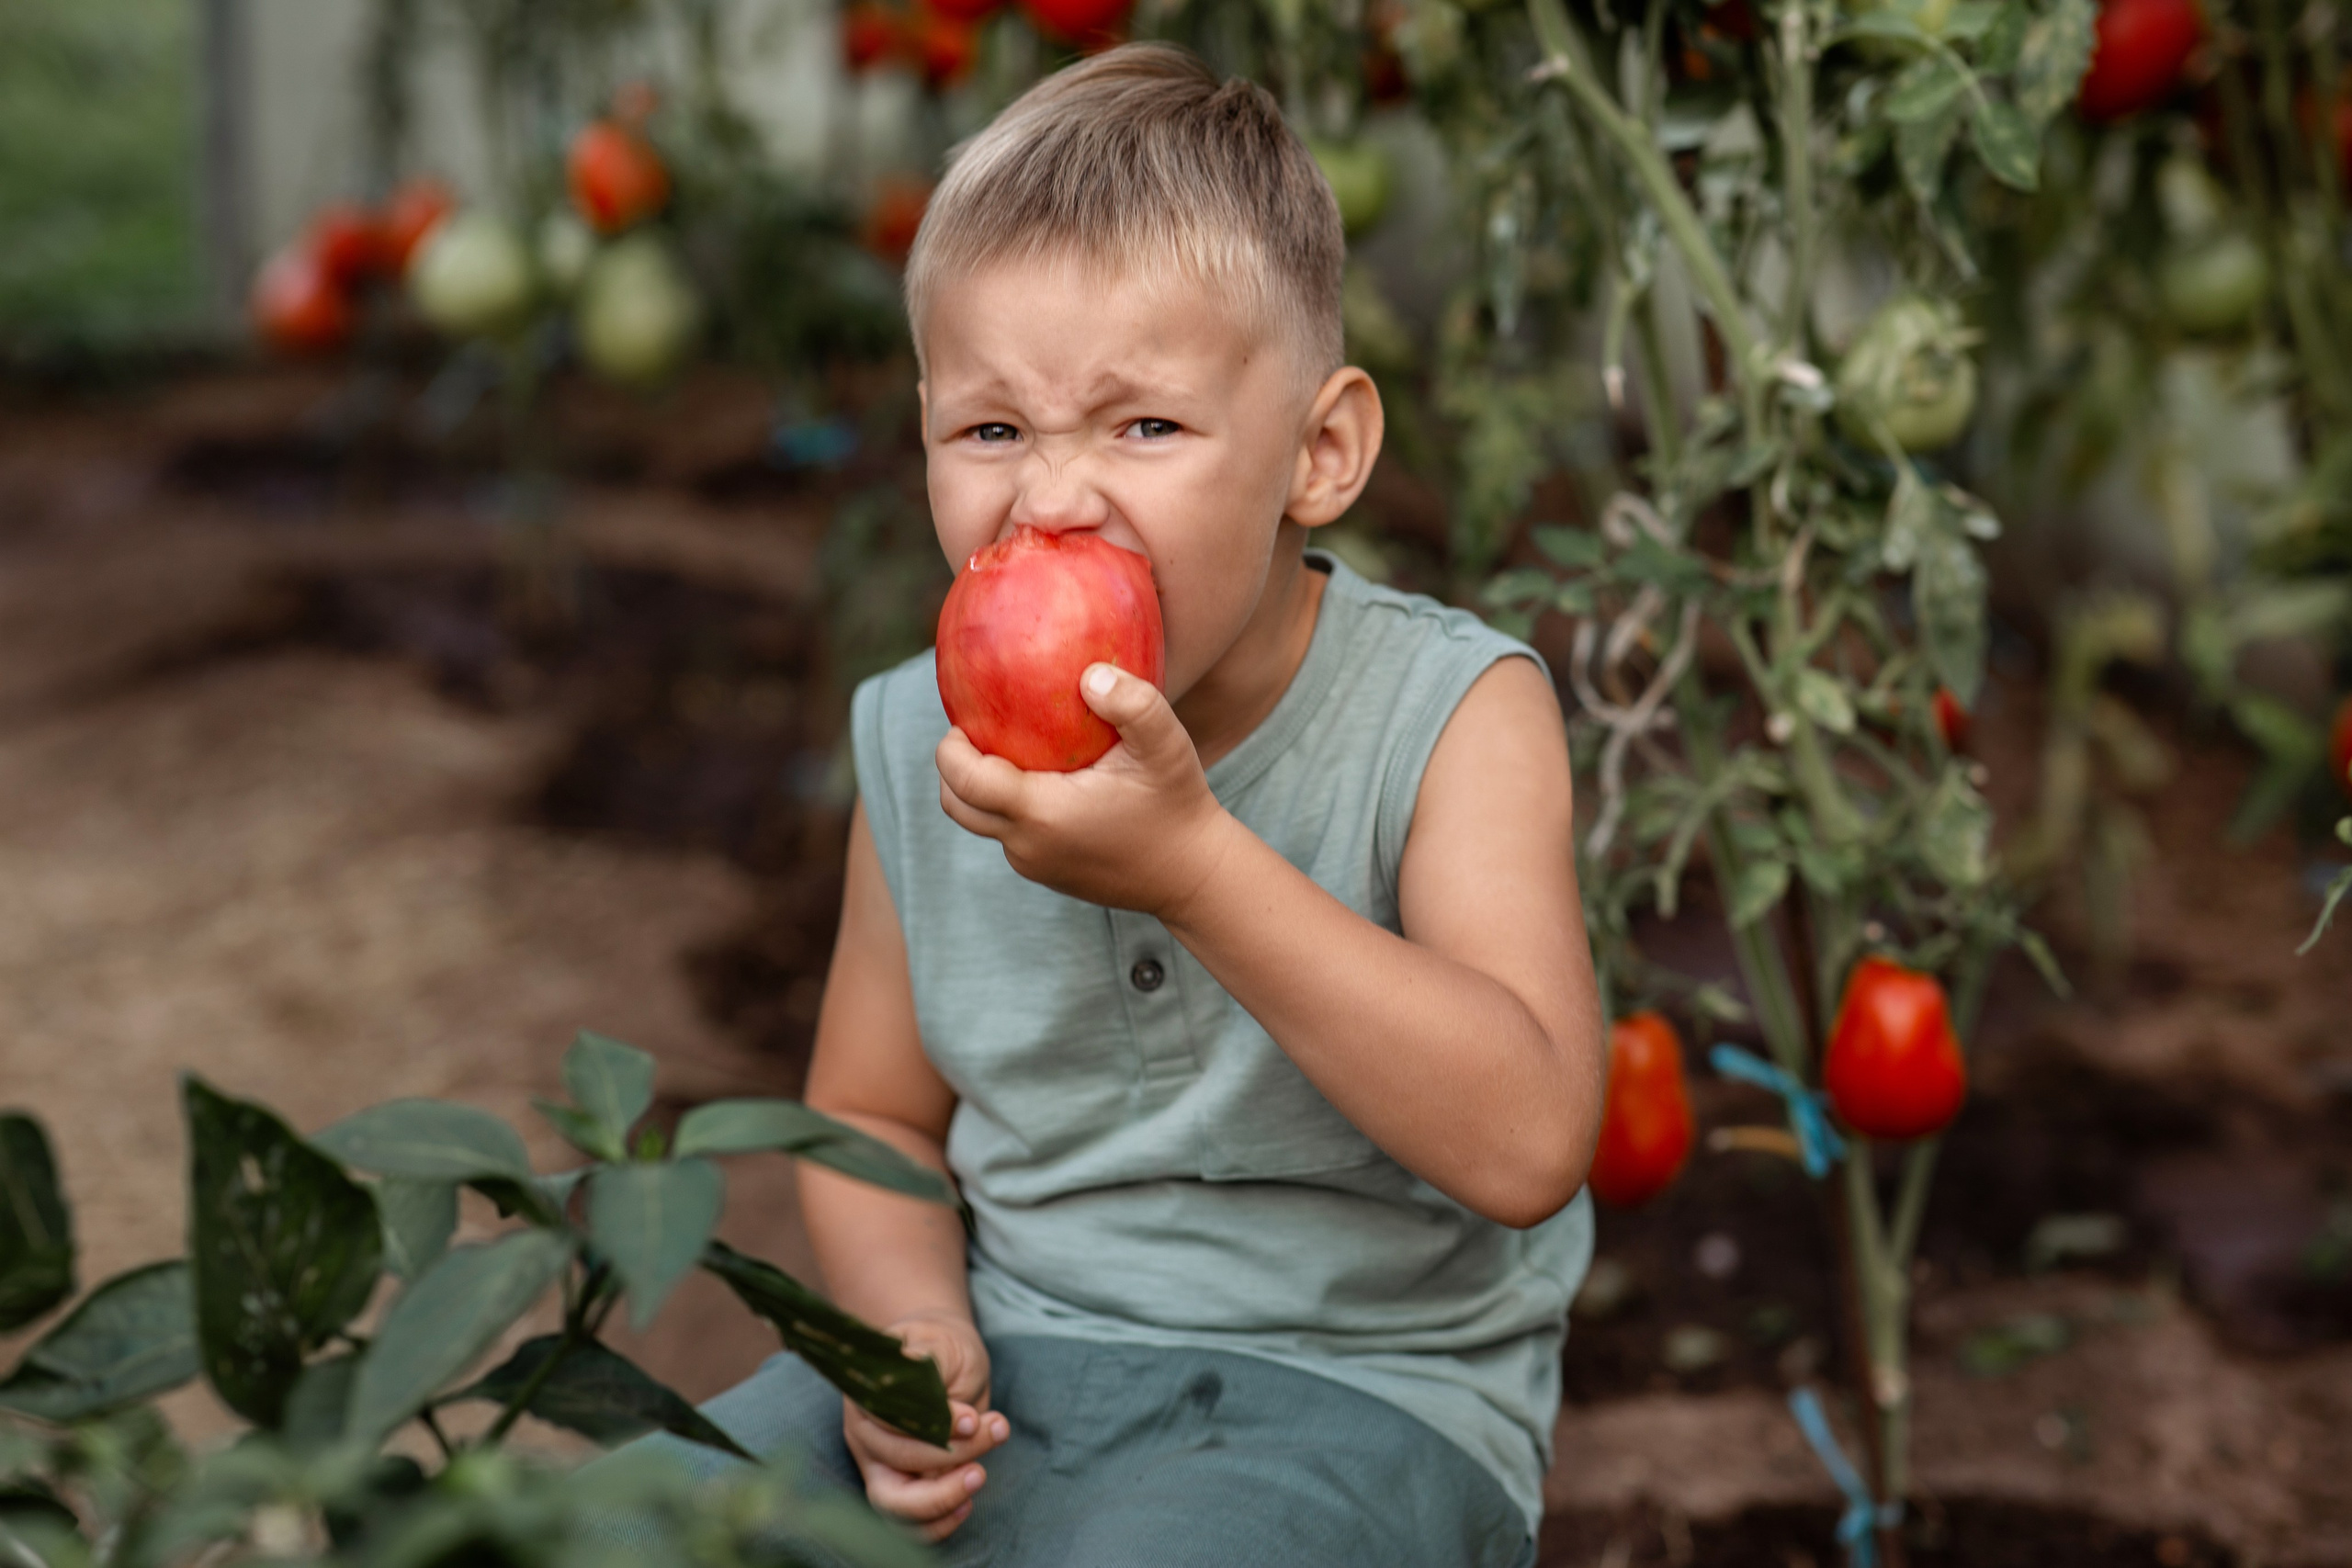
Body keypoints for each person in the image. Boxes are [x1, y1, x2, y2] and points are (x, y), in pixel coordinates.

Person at [618, 41, 1604, 1567]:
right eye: (993, 430)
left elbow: (1529, 1139)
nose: (1053, 498)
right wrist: (909, 1334)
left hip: (1355, 1402)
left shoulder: (1453, 717)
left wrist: (1196, 869)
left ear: (1319, 452)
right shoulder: (916, 733)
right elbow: (868, 1110)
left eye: (1143, 426)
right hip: (1014, 1360)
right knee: (639, 1520)